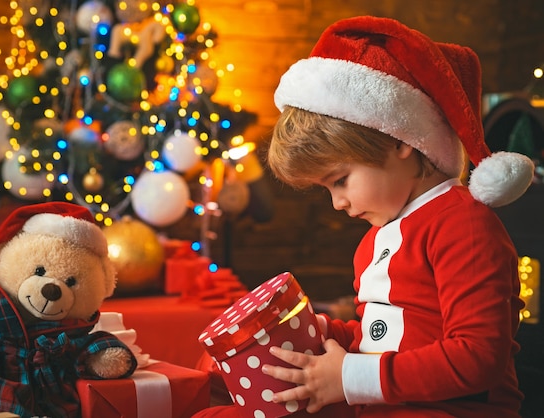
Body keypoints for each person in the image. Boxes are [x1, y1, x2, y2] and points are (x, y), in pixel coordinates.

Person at [194, 16, 534, 418]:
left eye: (341, 180)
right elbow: (385, 337)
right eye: (327, 189)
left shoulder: (462, 224)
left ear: (398, 140)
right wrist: (320, 334)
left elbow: (478, 357)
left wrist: (349, 378)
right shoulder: (375, 240)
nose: (338, 202)